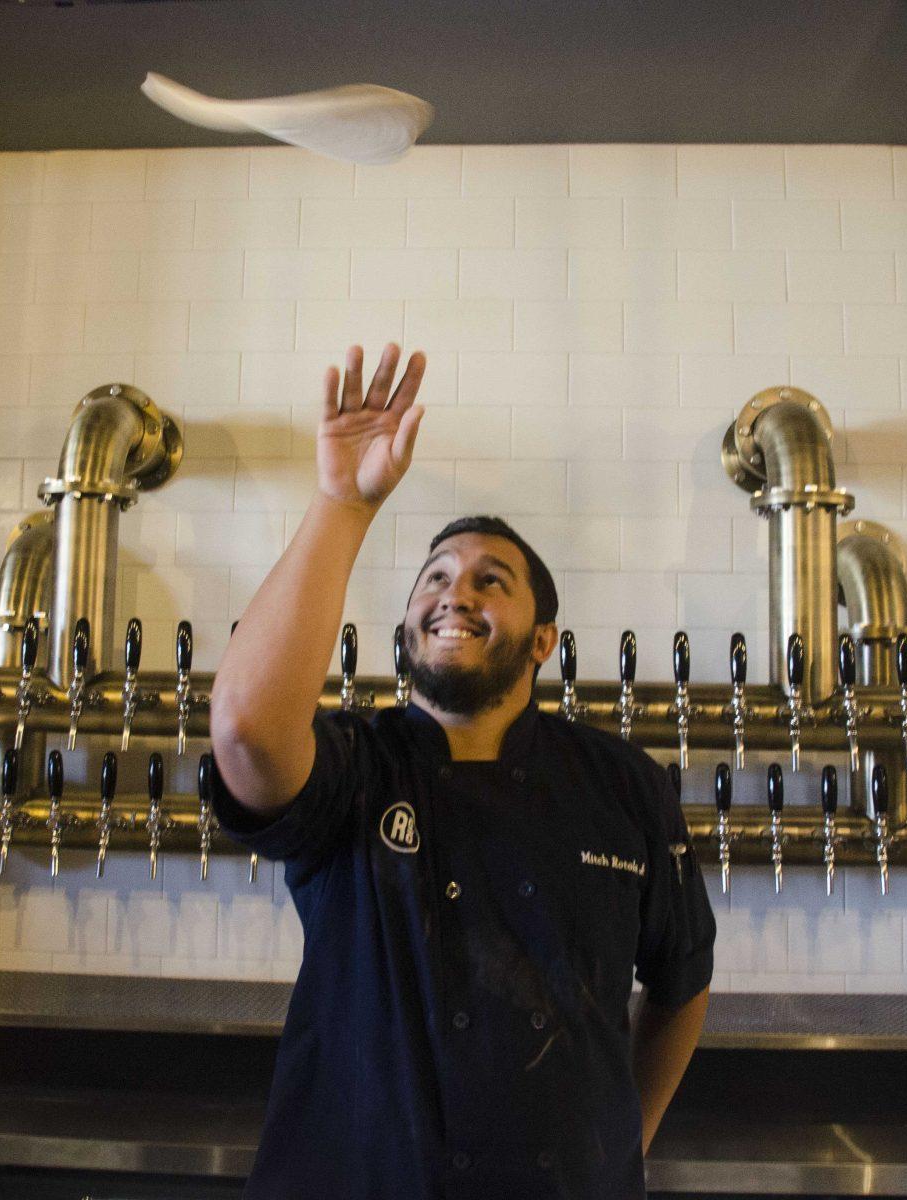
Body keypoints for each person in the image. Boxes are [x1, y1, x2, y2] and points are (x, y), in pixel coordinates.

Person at [209, 343, 716, 1200]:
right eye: (435, 578)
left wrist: (622, 1140)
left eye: (491, 580)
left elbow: (680, 983)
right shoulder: (354, 766)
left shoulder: (624, 784)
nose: (455, 593)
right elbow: (249, 733)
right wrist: (342, 503)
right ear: (409, 626)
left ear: (543, 639)